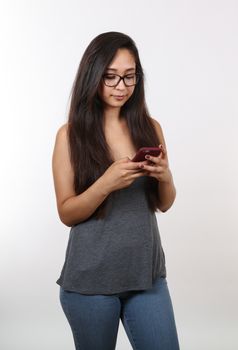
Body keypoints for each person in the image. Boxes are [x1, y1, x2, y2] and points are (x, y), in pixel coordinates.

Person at [52, 32, 180, 350]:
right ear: (92, 77)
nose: (121, 87)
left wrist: (165, 176)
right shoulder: (70, 136)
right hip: (90, 283)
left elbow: (164, 204)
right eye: (110, 77)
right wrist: (106, 184)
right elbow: (67, 213)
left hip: (146, 277)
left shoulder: (150, 128)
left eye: (129, 77)